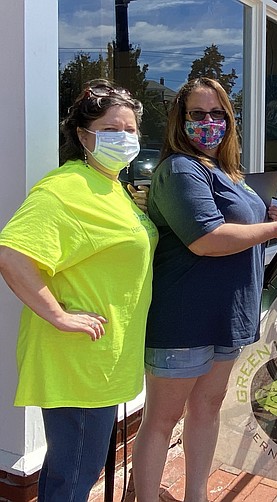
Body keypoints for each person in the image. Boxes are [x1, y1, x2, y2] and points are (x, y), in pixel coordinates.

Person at [132, 77, 277, 501]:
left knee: (208, 408)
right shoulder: (180, 168)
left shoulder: (228, 171)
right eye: (198, 114)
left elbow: (244, 223)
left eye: (218, 115)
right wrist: (276, 227)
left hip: (228, 314)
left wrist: (268, 210)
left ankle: (196, 494)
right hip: (184, 316)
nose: (209, 122)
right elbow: (207, 239)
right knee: (162, 417)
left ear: (230, 121)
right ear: (181, 120)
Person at [0, 80, 156, 501]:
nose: (124, 138)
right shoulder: (67, 188)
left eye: (131, 130)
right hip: (79, 361)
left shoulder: (113, 186)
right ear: (83, 135)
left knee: (71, 467)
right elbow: (14, 254)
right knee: (74, 475)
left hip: (103, 357)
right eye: (111, 129)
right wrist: (59, 315)